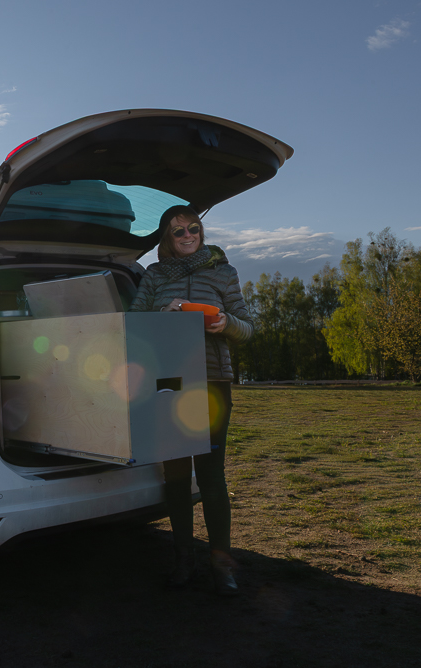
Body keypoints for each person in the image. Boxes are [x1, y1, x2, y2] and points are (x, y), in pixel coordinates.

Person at [129, 204, 254, 596]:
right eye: (178, 231)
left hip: (212, 382)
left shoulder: (223, 271)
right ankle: (184, 559)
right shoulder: (154, 275)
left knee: (212, 477)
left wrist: (225, 324)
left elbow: (249, 326)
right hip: (168, 383)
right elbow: (133, 325)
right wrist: (165, 313)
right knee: (177, 477)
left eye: (193, 228)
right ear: (167, 237)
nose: (187, 235)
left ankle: (222, 566)